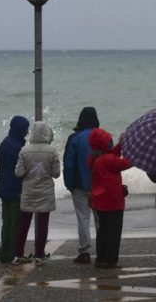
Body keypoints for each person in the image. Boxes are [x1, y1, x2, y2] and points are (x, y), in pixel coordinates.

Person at [13, 121, 61, 265]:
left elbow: (19, 172)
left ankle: (19, 254)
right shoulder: (52, 151)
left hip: (28, 191)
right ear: (46, 133)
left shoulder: (24, 150)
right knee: (43, 224)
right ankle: (39, 255)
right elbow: (56, 173)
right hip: (45, 192)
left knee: (24, 223)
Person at [87, 128, 131, 269]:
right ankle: (110, 260)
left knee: (103, 231)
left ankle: (101, 258)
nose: (111, 143)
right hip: (113, 201)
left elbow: (111, 156)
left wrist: (120, 145)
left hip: (100, 201)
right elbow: (126, 163)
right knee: (114, 232)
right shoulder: (108, 160)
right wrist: (131, 152)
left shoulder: (93, 158)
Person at [63, 106, 99, 264]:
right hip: (99, 183)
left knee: (83, 218)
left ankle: (84, 251)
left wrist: (68, 183)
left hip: (79, 184)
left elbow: (69, 163)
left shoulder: (74, 138)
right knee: (100, 218)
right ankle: (103, 250)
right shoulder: (103, 136)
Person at [0, 115, 30, 264]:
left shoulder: (4, 144)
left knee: (7, 221)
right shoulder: (18, 147)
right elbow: (22, 170)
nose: (27, 132)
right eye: (26, 129)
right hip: (16, 189)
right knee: (15, 222)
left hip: (4, 188)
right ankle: (12, 252)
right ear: (20, 130)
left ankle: (4, 252)